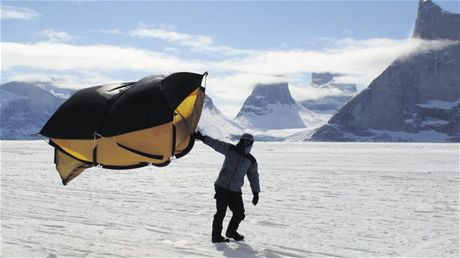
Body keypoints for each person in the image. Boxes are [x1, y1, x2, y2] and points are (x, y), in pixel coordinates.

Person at [194, 131, 260, 243]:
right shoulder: (230, 149)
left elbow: (253, 177)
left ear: (251, 144)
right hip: (222, 186)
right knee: (221, 211)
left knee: (239, 213)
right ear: (241, 141)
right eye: (244, 141)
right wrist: (203, 138)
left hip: (235, 190)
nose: (245, 143)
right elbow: (217, 144)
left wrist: (256, 193)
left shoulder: (251, 160)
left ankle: (231, 232)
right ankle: (216, 236)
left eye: (248, 142)